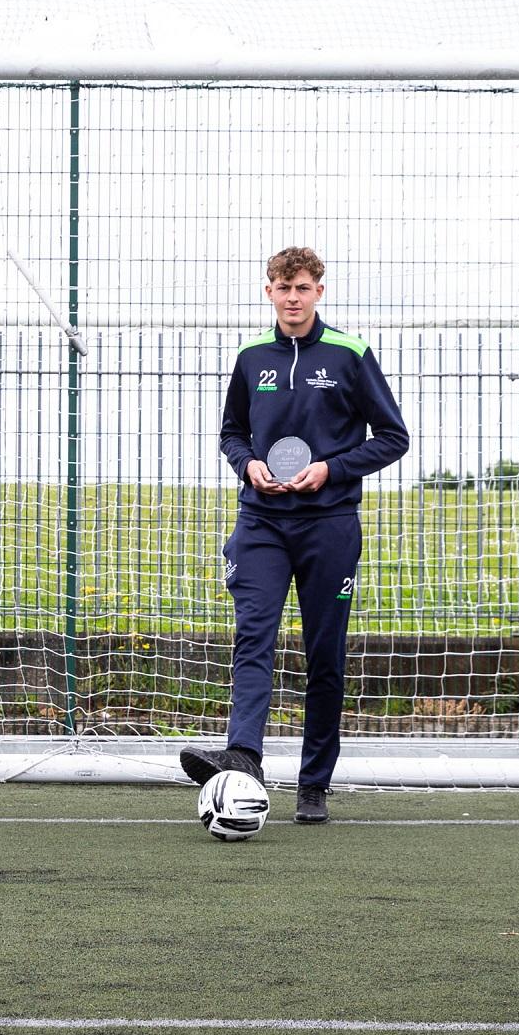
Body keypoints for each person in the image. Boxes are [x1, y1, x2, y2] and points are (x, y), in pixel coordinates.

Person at [181, 247, 409, 824]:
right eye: (282, 288)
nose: (292, 297)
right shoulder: (251, 356)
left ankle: (314, 784)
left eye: (303, 287)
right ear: (268, 292)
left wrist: (330, 470)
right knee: (253, 635)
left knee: (323, 655)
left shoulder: (351, 354)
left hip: (329, 526)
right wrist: (248, 465)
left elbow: (392, 436)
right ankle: (244, 757)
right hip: (260, 522)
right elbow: (232, 432)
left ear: (319, 291)